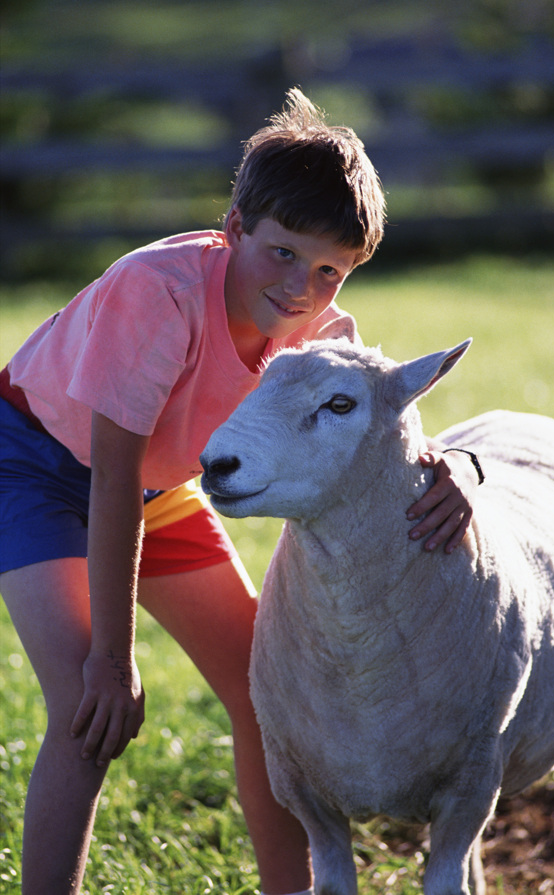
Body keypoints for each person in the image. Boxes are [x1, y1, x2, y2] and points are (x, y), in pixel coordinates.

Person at [0, 88, 480, 895]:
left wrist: (458, 472)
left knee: (266, 694)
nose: (301, 286)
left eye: (329, 270)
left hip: (158, 492)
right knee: (92, 712)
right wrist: (115, 661)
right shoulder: (158, 291)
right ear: (234, 229)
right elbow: (110, 474)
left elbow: (383, 438)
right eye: (284, 253)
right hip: (34, 465)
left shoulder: (319, 337)